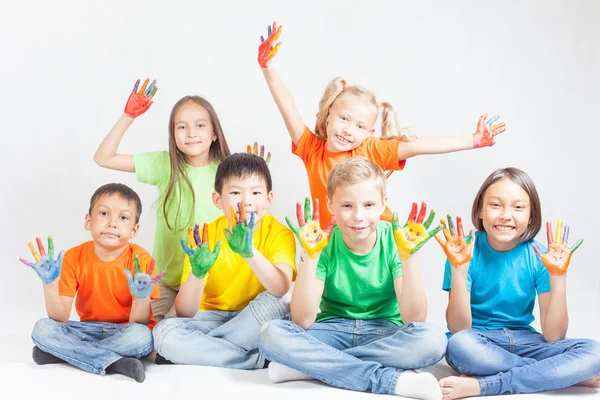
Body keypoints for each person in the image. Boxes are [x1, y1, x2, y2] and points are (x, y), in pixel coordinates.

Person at [257, 21, 506, 228]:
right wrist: (267, 67)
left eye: (359, 127)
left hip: (377, 237)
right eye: (344, 119)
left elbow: (418, 146)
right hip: (335, 240)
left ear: (369, 132)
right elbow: (288, 108)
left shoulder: (369, 150)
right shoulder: (312, 150)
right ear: (329, 112)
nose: (348, 130)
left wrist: (473, 140)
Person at [259, 157, 447, 399]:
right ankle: (387, 380)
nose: (359, 216)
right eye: (347, 206)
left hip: (384, 331)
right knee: (271, 334)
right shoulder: (320, 241)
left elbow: (414, 319)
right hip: (331, 330)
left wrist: (408, 257)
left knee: (432, 340)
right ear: (330, 205)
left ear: (383, 204)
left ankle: (313, 367)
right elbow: (302, 320)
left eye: (369, 205)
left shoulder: (395, 239)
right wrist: (310, 255)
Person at [436, 167, 600, 399]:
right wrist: (459, 270)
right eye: (495, 205)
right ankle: (560, 373)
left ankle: (485, 385)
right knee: (459, 345)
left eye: (518, 207)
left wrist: (558, 276)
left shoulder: (540, 256)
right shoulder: (462, 251)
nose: (505, 215)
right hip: (478, 340)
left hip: (525, 340)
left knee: (595, 352)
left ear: (531, 216)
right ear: (480, 210)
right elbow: (459, 329)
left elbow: (554, 335)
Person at [94, 79, 231, 320]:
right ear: (173, 134)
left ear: (214, 134)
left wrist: (253, 178)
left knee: (169, 335)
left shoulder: (227, 172)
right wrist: (128, 116)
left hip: (207, 282)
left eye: (200, 125)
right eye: (181, 127)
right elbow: (104, 157)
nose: (191, 133)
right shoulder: (164, 164)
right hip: (166, 282)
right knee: (139, 333)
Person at [152, 152, 296, 369]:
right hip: (210, 317)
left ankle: (200, 351)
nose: (247, 201)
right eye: (236, 192)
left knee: (282, 300)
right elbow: (185, 312)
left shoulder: (279, 233)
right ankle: (256, 358)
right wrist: (198, 273)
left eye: (256, 192)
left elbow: (280, 287)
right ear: (218, 200)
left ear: (268, 199)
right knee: (162, 334)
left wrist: (249, 252)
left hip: (254, 317)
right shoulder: (204, 237)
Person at [22, 183, 161, 382]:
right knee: (42, 328)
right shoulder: (74, 256)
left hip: (125, 331)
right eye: (104, 213)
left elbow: (139, 322)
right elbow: (59, 316)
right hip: (86, 330)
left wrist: (141, 297)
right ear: (88, 221)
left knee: (142, 337)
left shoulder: (141, 260)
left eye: (123, 217)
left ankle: (65, 354)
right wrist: (50, 284)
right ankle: (114, 362)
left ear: (134, 229)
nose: (112, 223)